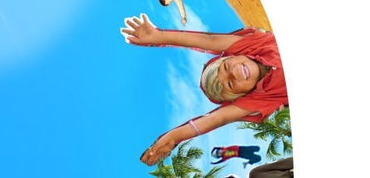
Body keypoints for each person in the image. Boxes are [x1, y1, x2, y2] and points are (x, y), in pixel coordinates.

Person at [120, 14, 287, 166]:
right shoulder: (260, 99)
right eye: (230, 84)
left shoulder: (253, 45)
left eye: (226, 67)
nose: (234, 73)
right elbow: (216, 118)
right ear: (242, 96)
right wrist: (173, 137)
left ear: (233, 55)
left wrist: (159, 36)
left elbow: (209, 40)